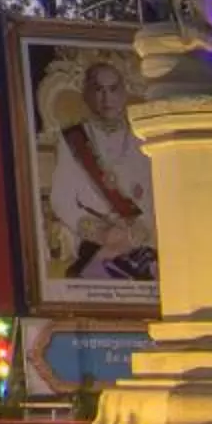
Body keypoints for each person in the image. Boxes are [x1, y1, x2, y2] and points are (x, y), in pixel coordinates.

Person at [48, 58, 156, 281]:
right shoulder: (73, 140)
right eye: (99, 90)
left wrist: (140, 227)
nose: (106, 99)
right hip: (95, 242)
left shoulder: (142, 138)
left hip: (139, 240)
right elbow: (61, 199)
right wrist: (100, 232)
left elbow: (158, 192)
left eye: (113, 89)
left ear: (123, 93)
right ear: (86, 94)